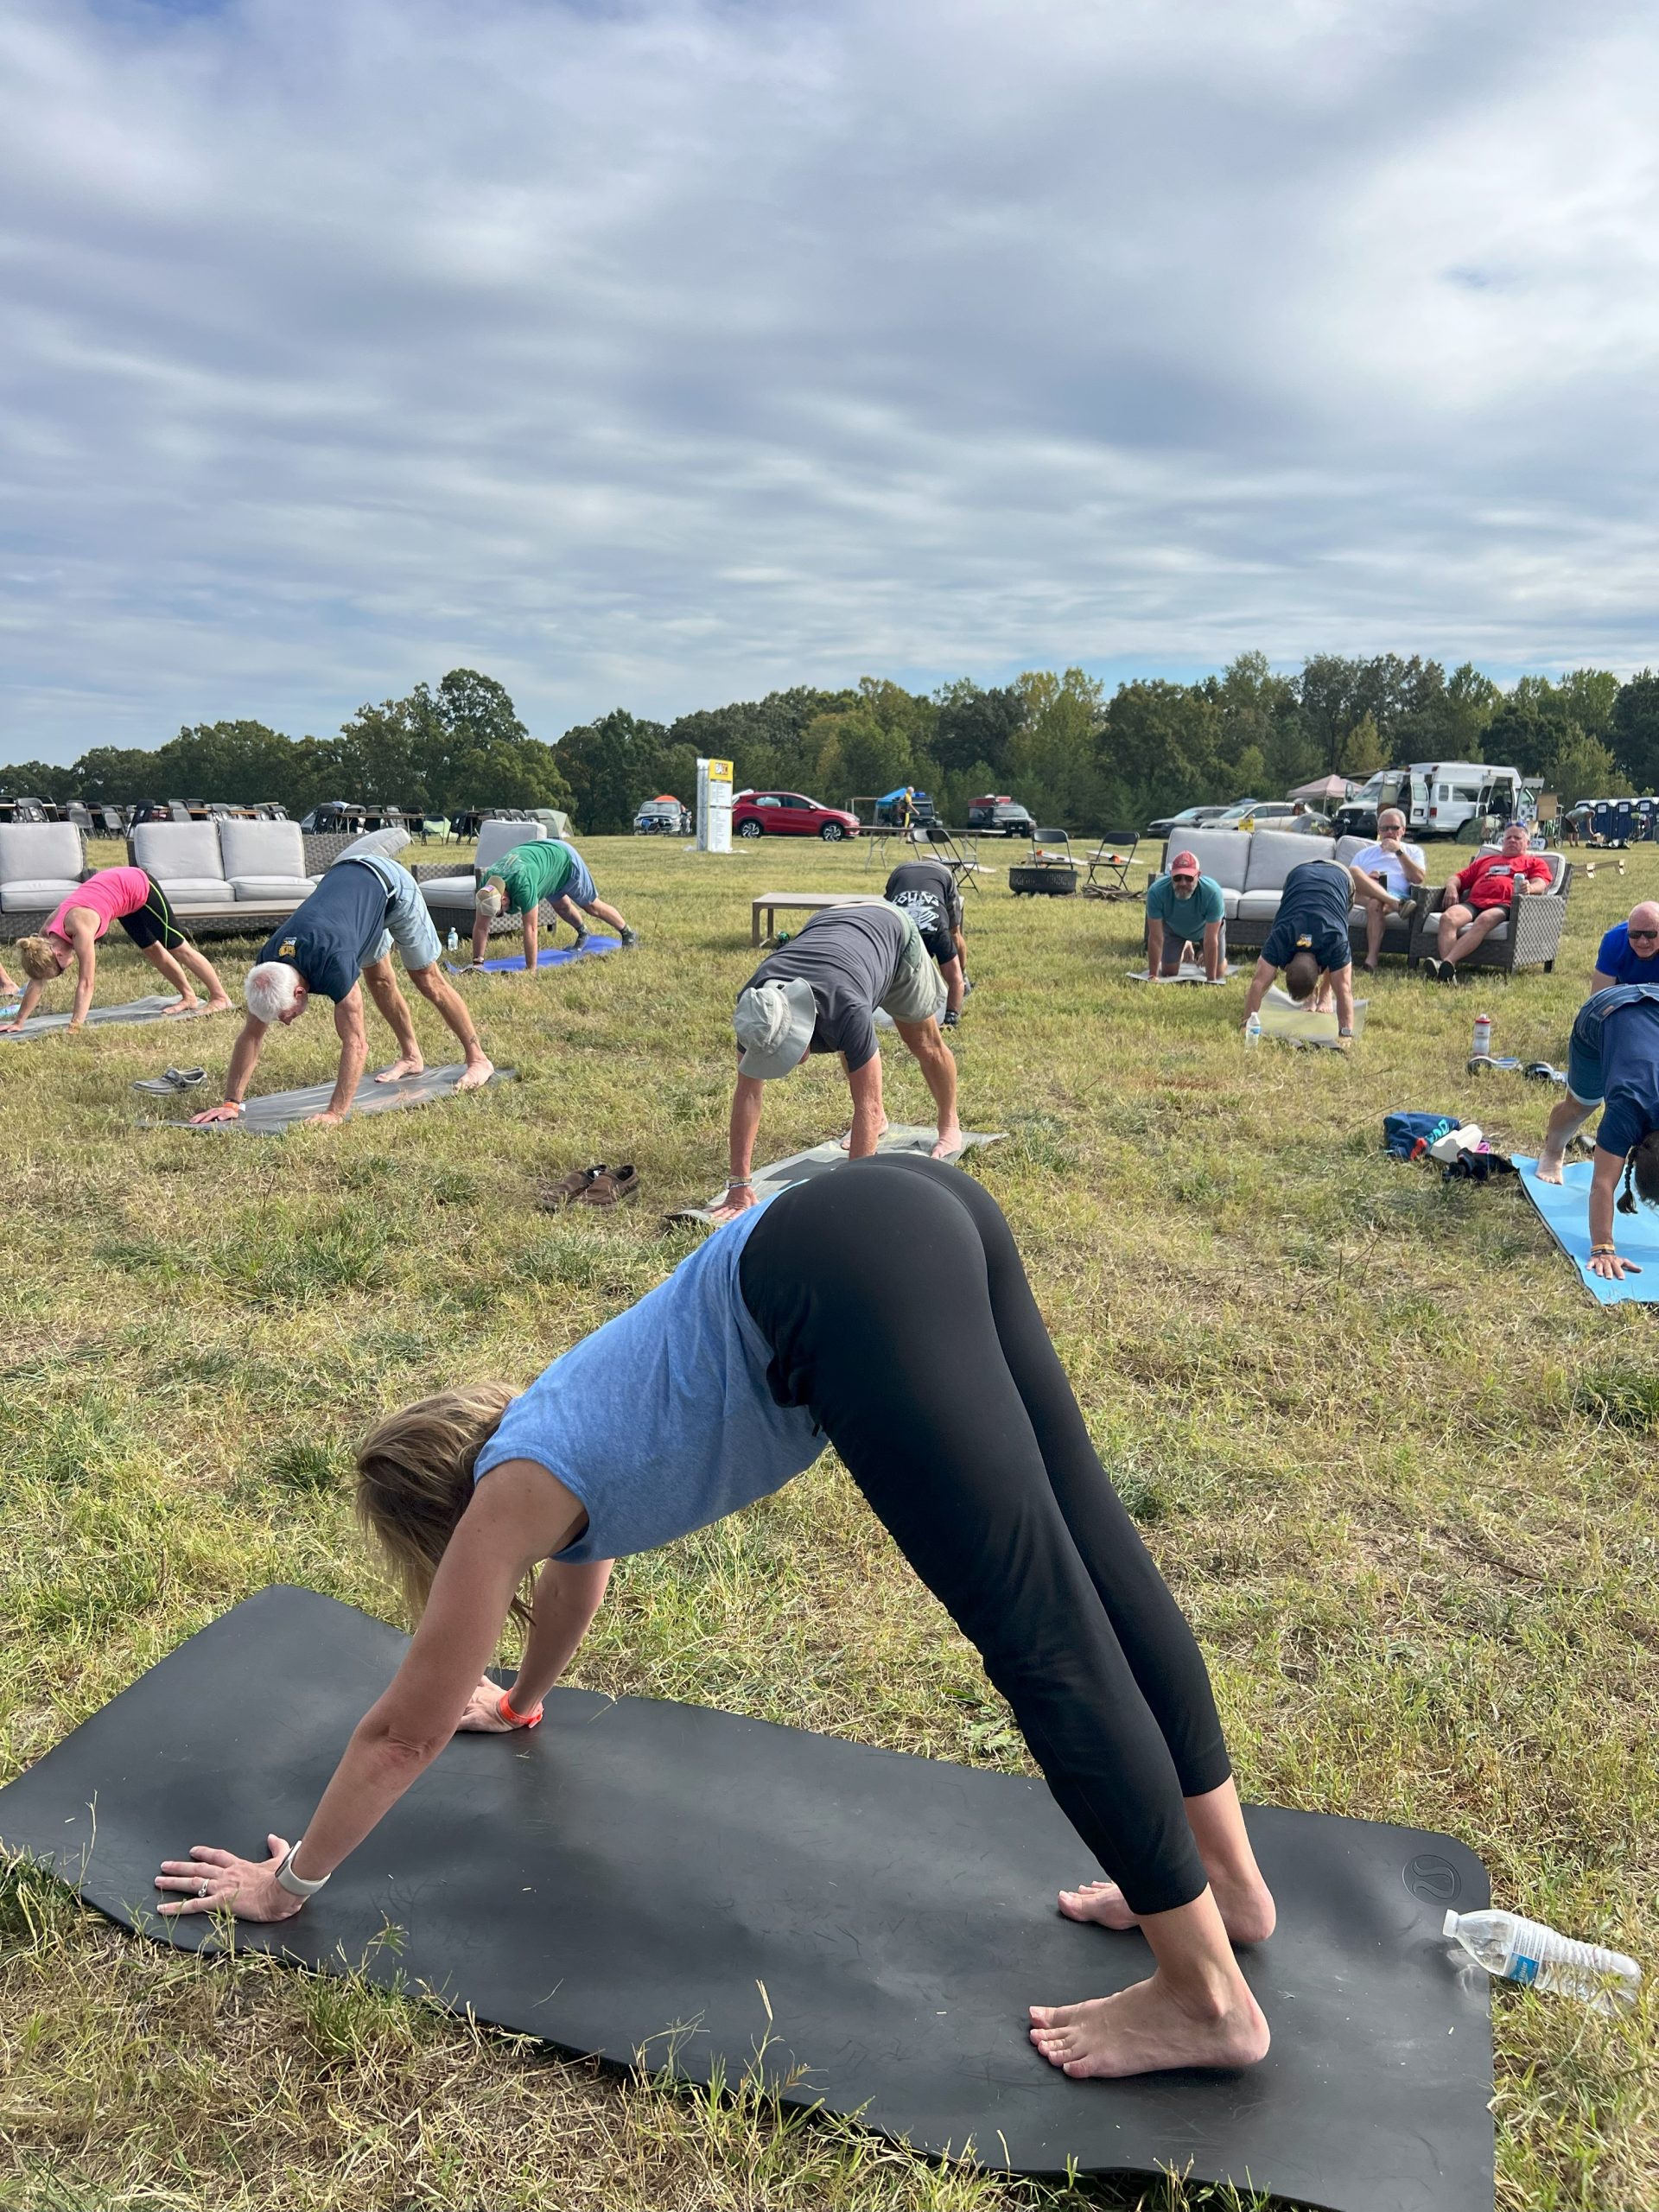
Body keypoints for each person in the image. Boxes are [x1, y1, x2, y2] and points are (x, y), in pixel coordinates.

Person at [151, 1157, 1276, 2082]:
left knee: (1041, 1634)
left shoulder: (504, 1505)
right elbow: (576, 1580)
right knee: (1103, 1570)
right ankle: (1228, 1890)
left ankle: (1202, 1997)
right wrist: (525, 1699)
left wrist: (289, 1883)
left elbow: (403, 1733)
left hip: (842, 1268)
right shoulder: (556, 1437)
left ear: (429, 1524)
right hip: (917, 1205)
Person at [189, 851, 492, 1128]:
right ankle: (412, 1056)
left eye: (285, 1015)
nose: (286, 1022)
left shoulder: (333, 963)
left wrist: (335, 1112)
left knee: (426, 978)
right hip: (350, 890)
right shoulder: (268, 966)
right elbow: (252, 1034)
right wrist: (231, 1102)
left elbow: (356, 1043)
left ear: (299, 993)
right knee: (380, 980)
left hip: (391, 886)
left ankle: (479, 1059)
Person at [715, 902, 961, 1216]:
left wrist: (851, 1199)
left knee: (923, 1042)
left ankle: (950, 1124)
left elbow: (868, 1105)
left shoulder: (846, 1009)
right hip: (830, 923)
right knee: (848, 1046)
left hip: (892, 931)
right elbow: (748, 1093)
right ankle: (880, 1126)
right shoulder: (755, 1010)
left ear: (801, 1026)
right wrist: (739, 1184)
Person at [1, 866, 233, 1033]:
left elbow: (86, 983)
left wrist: (75, 1026)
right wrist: (19, 1022)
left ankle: (220, 997)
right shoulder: (44, 938)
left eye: (60, 971)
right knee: (152, 950)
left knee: (178, 948)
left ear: (58, 954)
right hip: (121, 899)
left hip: (138, 885)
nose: (64, 971)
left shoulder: (80, 929)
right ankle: (189, 997)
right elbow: (37, 981)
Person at [1535, 983, 1659, 1281]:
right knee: (1580, 1106)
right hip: (1605, 1011)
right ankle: (1552, 1151)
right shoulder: (1626, 1113)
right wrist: (1603, 1249)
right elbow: (1602, 1184)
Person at [1240, 857, 1414, 1046]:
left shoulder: (1334, 939)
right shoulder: (1281, 937)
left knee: (1337, 964)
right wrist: (1246, 1024)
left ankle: (1324, 992)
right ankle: (1310, 994)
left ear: (1287, 964)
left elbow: (1343, 988)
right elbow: (1258, 984)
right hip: (1299, 875)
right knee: (1332, 960)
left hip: (1338, 877)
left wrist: (1346, 1034)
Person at [472, 840, 639, 968]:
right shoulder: (487, 887)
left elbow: (531, 929)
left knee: (592, 907)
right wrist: (478, 963)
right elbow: (481, 927)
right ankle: (584, 933)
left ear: (504, 899)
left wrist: (531, 969)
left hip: (563, 859)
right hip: (544, 864)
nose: (499, 916)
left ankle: (628, 933)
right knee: (562, 908)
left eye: (499, 913)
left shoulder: (523, 885)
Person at [1425, 821, 1553, 980]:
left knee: (1484, 919)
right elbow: (1457, 877)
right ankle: (1449, 973)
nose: (1512, 841)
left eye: (1517, 838)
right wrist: (1451, 887)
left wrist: (1530, 888)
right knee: (1448, 918)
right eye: (1508, 838)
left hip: (1503, 905)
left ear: (1528, 843)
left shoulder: (1534, 862)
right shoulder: (1486, 861)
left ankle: (1447, 963)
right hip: (1474, 903)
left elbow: (1541, 884)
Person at [883, 855, 969, 1023]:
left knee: (954, 932)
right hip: (899, 875)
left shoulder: (938, 935)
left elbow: (956, 981)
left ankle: (965, 972)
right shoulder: (892, 938)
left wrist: (951, 1018)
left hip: (941, 874)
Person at [1347, 809, 1427, 972]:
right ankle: (1397, 904)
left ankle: (1371, 959)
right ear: (1379, 831)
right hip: (1363, 894)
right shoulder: (1365, 854)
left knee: (1375, 903)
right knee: (1354, 871)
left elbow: (1418, 878)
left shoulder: (1413, 851)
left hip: (1395, 893)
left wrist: (1398, 852)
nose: (1389, 832)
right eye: (1384, 828)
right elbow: (1348, 881)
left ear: (1403, 830)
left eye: (1394, 828)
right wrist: (1367, 879)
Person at [1144, 851, 1226, 982]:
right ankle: (1186, 944)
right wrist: (1153, 975)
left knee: (1218, 973)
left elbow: (1211, 939)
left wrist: (1211, 980)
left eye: (1189, 878)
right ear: (1171, 875)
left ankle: (1215, 958)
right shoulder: (1156, 892)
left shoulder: (1212, 892)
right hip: (1174, 930)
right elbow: (1155, 937)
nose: (1183, 883)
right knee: (1168, 972)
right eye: (1177, 878)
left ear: (1198, 875)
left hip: (1206, 931)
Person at [1591, 901, 1659, 990]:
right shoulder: (1614, 941)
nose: (1643, 941)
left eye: (1650, 934)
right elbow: (1600, 995)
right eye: (1635, 934)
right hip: (1623, 995)